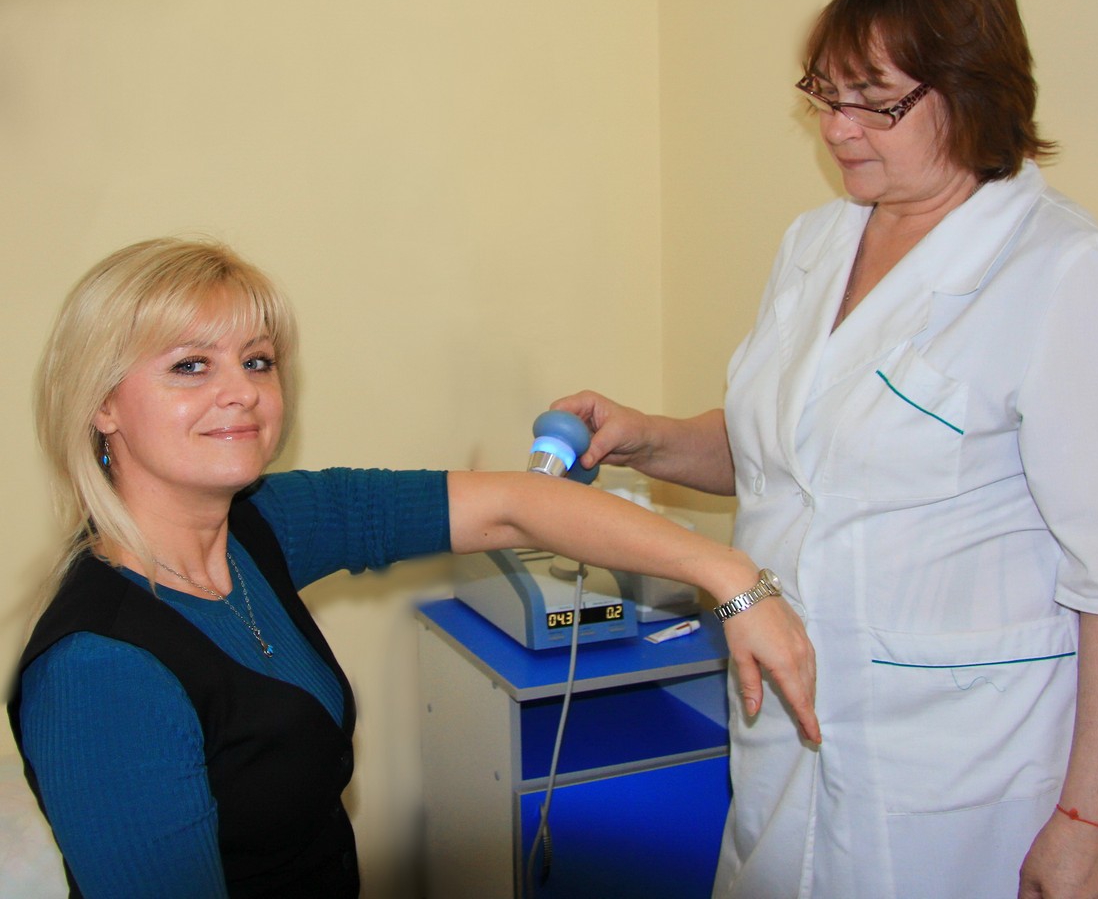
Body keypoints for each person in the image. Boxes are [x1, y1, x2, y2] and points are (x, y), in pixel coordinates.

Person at [553, 0, 1098, 899]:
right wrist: (648, 438)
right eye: (824, 93)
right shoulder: (815, 242)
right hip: (782, 736)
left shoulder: (1063, 273)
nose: (838, 129)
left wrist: (1091, 827)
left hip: (955, 777)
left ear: (972, 89)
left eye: (874, 100)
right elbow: (789, 456)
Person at [7, 236, 819, 899]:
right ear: (101, 403)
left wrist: (729, 576)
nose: (242, 393)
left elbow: (514, 504)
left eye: (256, 361)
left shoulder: (260, 524)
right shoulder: (99, 671)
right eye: (191, 365)